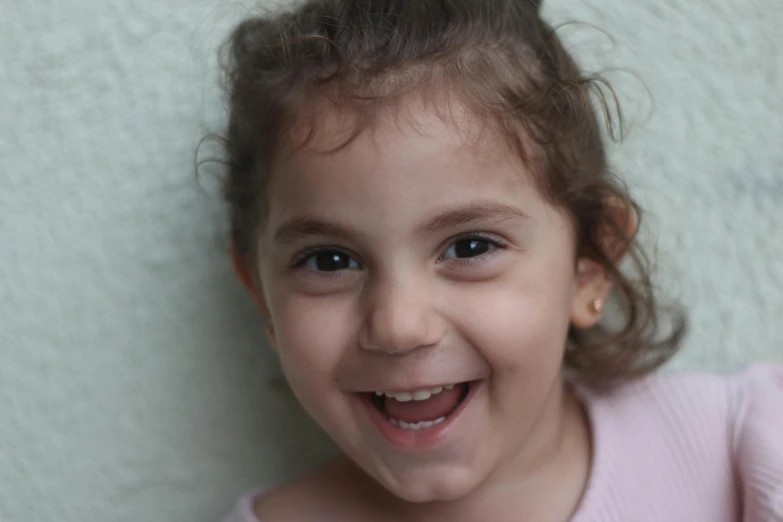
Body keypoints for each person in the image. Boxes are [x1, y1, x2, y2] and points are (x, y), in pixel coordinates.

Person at [215, 0, 783, 520]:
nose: (398, 326)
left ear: (591, 262)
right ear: (262, 295)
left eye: (470, 247)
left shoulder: (742, 450)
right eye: (330, 260)